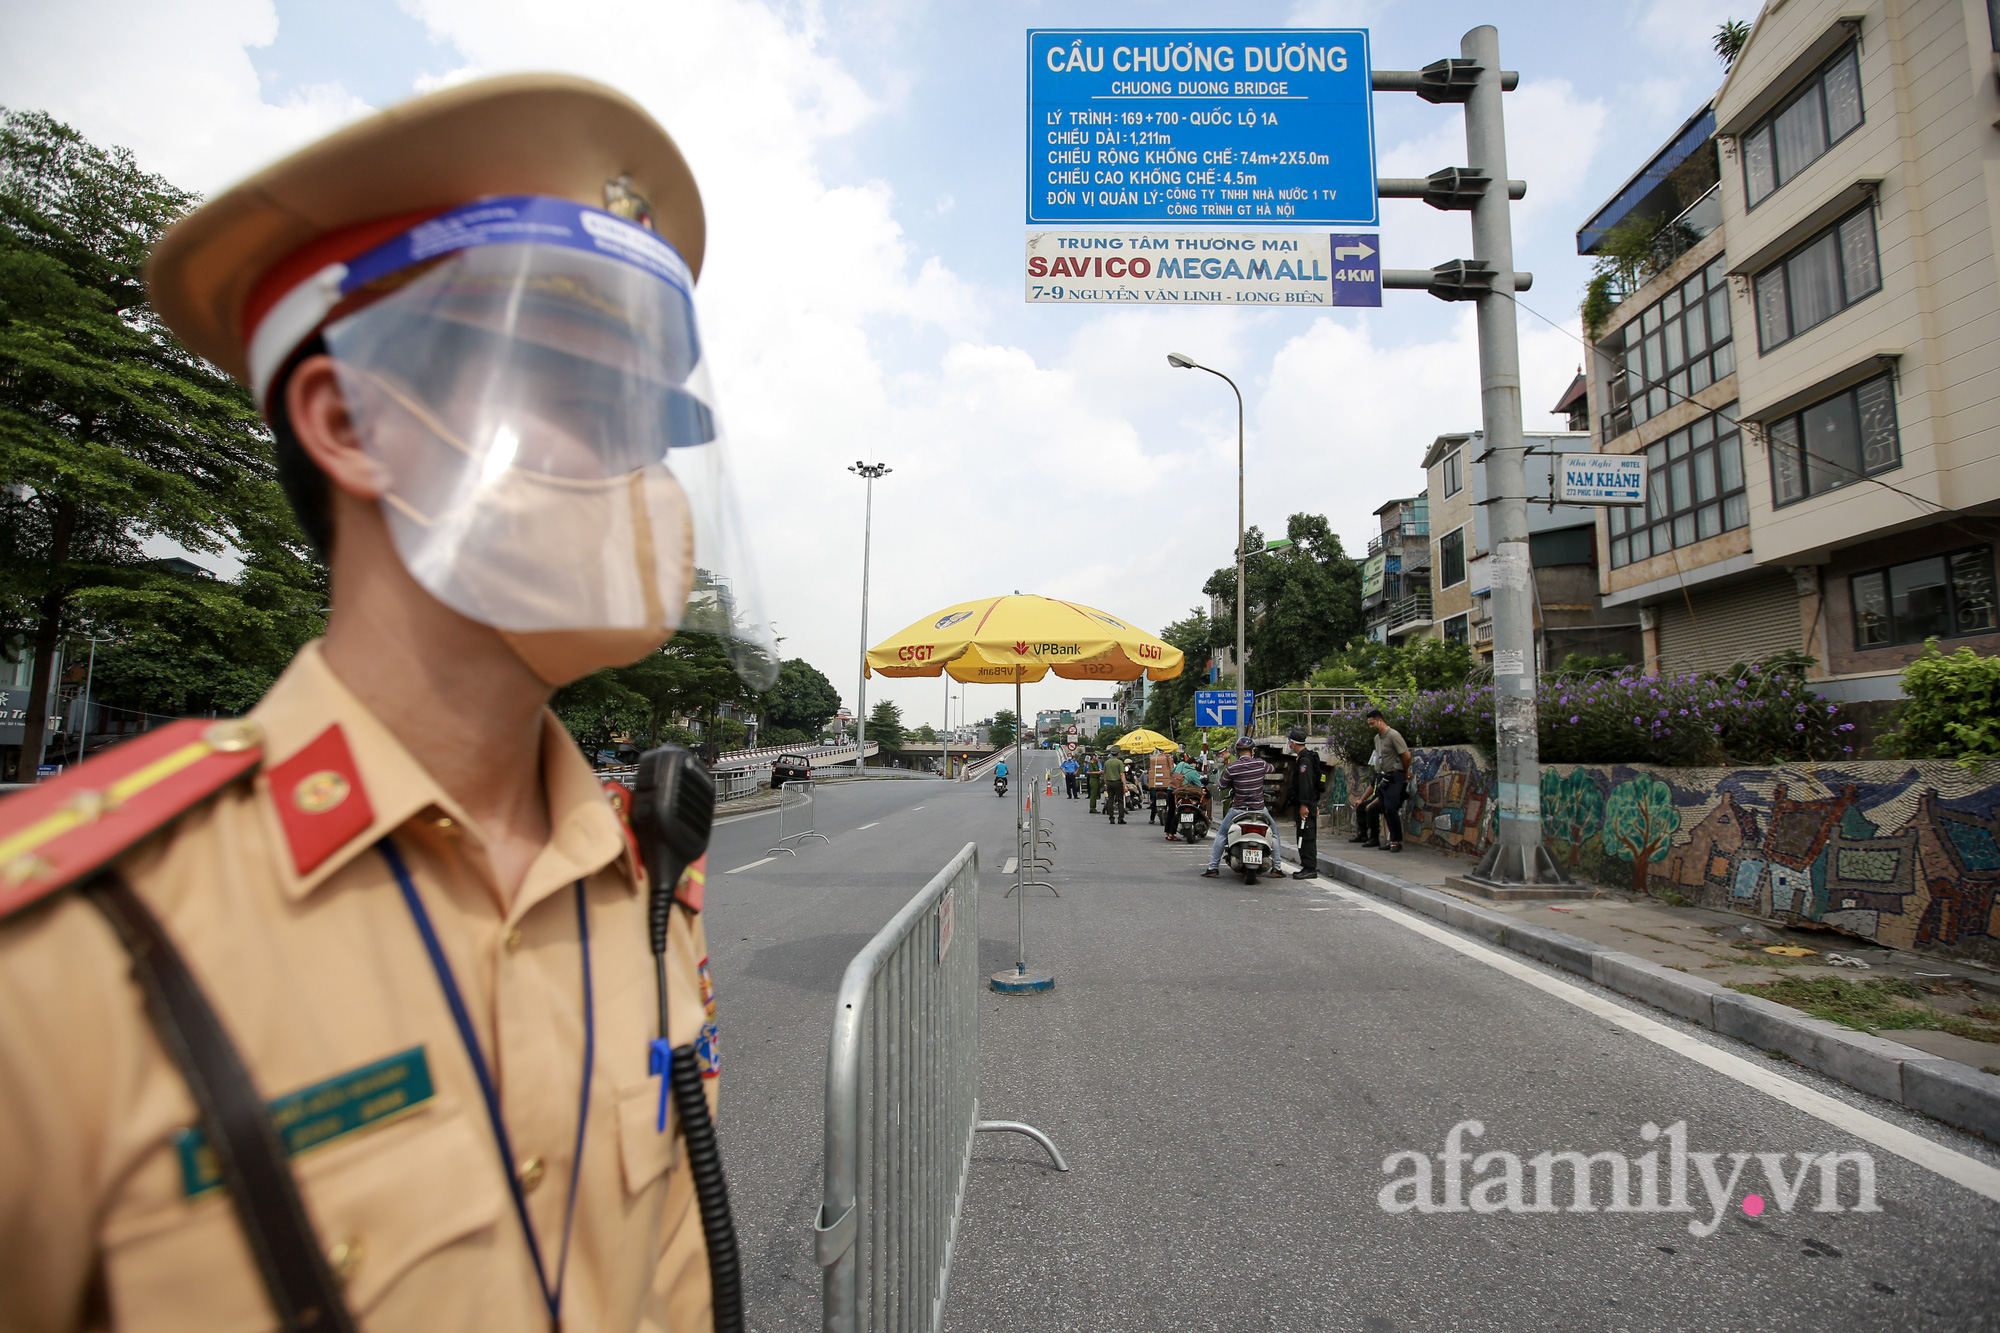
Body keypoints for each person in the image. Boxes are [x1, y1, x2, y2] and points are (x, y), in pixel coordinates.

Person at [0, 76, 742, 1333]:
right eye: (572, 396)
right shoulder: (74, 948)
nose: (643, 484)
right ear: (348, 419)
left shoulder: (642, 891)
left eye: (653, 431)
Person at [1201, 737, 1274, 877]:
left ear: (1237, 751)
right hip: (1259, 809)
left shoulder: (1232, 767)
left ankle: (1213, 868)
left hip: (1238, 809)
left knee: (1222, 835)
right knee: (1274, 834)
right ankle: (1277, 868)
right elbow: (1272, 768)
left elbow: (1222, 785)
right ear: (1252, 751)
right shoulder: (1260, 763)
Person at [1354, 708, 1412, 852]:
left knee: (1391, 807)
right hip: (1382, 776)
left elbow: (1406, 755)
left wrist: (1404, 771)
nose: (1371, 727)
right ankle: (1387, 839)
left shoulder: (1393, 735)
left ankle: (1396, 840)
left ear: (1380, 721)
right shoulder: (1377, 739)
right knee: (1385, 809)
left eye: (1372, 723)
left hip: (1394, 775)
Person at [1275, 726, 1325, 879]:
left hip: (1305, 804)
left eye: (1289, 741)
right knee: (1304, 834)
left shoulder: (1304, 761)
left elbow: (1306, 784)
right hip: (1309, 802)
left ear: (1293, 743)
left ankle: (1310, 868)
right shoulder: (1306, 758)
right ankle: (1307, 866)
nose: (1288, 744)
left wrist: (1305, 804)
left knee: (1306, 836)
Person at [1102, 750, 1128, 824]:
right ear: (1118, 754)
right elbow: (1122, 774)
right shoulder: (1119, 762)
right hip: (1117, 782)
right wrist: (1125, 785)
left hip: (1109, 783)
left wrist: (1106, 784)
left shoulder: (1107, 762)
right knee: (1120, 800)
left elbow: (1105, 775)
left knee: (1110, 800)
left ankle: (1111, 818)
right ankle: (1120, 818)